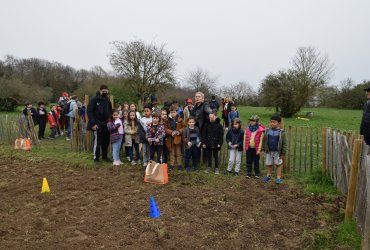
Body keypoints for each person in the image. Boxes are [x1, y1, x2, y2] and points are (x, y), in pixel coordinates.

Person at [87, 85, 113, 163]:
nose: (105, 92)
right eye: (103, 91)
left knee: (106, 141)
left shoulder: (108, 100)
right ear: (100, 90)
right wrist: (93, 124)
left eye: (106, 91)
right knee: (97, 142)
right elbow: (90, 112)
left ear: (108, 91)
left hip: (106, 124)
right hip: (97, 124)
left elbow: (110, 111)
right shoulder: (94, 100)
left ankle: (104, 157)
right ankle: (96, 157)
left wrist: (110, 121)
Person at [261, 115, 287, 184]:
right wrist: (263, 149)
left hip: (277, 152)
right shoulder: (267, 131)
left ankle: (278, 178)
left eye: (274, 122)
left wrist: (282, 153)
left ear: (278, 123)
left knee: (278, 164)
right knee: (269, 164)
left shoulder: (281, 133)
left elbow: (284, 143)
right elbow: (264, 141)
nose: (272, 123)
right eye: (271, 122)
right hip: (269, 151)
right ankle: (268, 176)